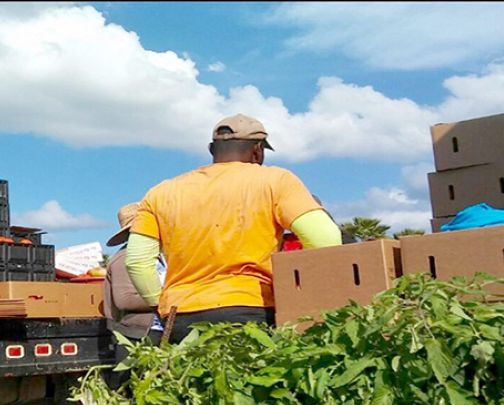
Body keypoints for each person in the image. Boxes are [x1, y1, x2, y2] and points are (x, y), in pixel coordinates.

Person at [125, 113, 342, 343]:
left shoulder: (160, 192)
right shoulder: (276, 181)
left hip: (182, 317)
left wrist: (160, 303)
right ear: (258, 150)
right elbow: (325, 239)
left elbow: (137, 262)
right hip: (251, 310)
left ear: (211, 149)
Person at [103, 202, 166, 388]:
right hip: (138, 334)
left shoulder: (155, 256)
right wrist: (167, 300)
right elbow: (125, 299)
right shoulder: (124, 258)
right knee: (135, 388)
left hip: (157, 331)